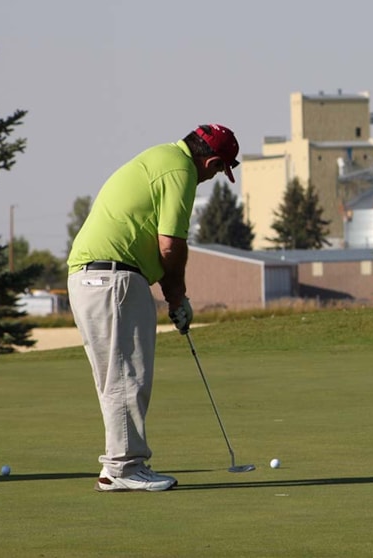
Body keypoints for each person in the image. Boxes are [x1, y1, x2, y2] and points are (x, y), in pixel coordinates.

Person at [67, 124, 240, 491]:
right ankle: (125, 468)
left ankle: (117, 466)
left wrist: (171, 292)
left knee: (115, 377)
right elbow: (170, 245)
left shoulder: (160, 156)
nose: (211, 178)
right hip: (114, 278)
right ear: (210, 161)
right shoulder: (181, 170)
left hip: (91, 277)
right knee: (127, 375)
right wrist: (177, 297)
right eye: (216, 171)